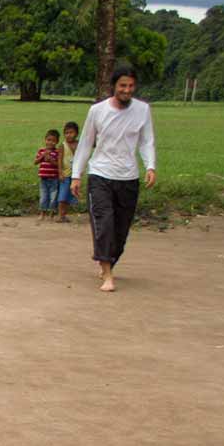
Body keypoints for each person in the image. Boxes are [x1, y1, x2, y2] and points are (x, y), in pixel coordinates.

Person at [70, 65, 157, 292]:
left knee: (121, 230)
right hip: (100, 174)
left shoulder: (142, 110)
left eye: (130, 86)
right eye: (122, 86)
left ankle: (108, 259)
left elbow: (147, 141)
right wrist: (76, 176)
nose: (127, 90)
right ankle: (108, 274)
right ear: (113, 87)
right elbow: (86, 144)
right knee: (104, 223)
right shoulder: (97, 111)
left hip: (128, 177)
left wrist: (151, 166)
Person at [36, 129, 64, 223]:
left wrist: (51, 160)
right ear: (45, 140)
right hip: (43, 178)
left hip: (54, 178)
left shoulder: (57, 152)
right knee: (43, 197)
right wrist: (43, 156)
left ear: (57, 142)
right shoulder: (41, 151)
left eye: (53, 141)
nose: (50, 142)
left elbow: (58, 164)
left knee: (53, 197)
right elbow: (35, 162)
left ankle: (51, 214)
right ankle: (42, 213)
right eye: (48, 140)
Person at [56, 120, 80, 224]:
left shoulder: (79, 144)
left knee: (70, 196)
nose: (68, 135)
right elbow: (59, 160)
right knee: (63, 195)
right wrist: (60, 172)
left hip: (74, 175)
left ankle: (64, 215)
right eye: (66, 133)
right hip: (65, 175)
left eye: (71, 132)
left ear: (76, 133)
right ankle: (61, 215)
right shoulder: (62, 145)